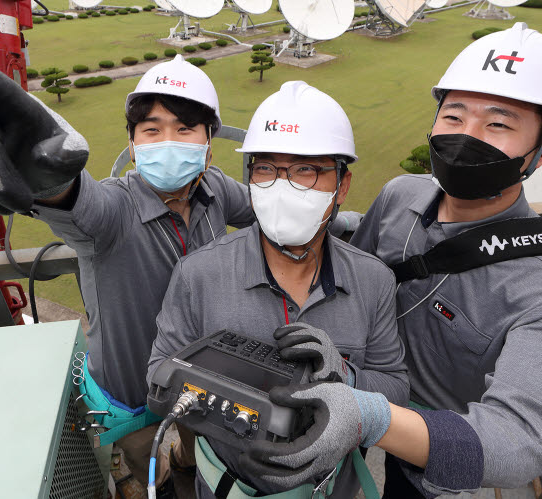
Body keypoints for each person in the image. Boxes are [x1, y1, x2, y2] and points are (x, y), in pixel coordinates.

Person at [0, 45, 360, 497]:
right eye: (152, 129)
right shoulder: (113, 210)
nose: (169, 142)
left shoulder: (216, 191)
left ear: (208, 141)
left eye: (185, 129)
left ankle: (184, 464)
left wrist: (341, 221)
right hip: (133, 392)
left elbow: (270, 209)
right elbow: (77, 202)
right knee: (151, 475)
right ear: (132, 142)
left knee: (196, 447)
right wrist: (46, 182)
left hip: (205, 378)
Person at [240, 23, 542, 497]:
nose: (467, 136)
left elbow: (524, 441)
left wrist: (373, 417)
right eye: (454, 117)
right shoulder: (399, 197)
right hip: (356, 381)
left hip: (435, 449)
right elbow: (356, 276)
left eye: (498, 124)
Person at [148, 81, 410, 499]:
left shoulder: (372, 281)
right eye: (266, 168)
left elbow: (395, 385)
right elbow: (159, 375)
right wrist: (241, 420)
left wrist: (343, 376)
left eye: (306, 170)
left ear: (341, 186)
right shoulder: (199, 274)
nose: (282, 186)